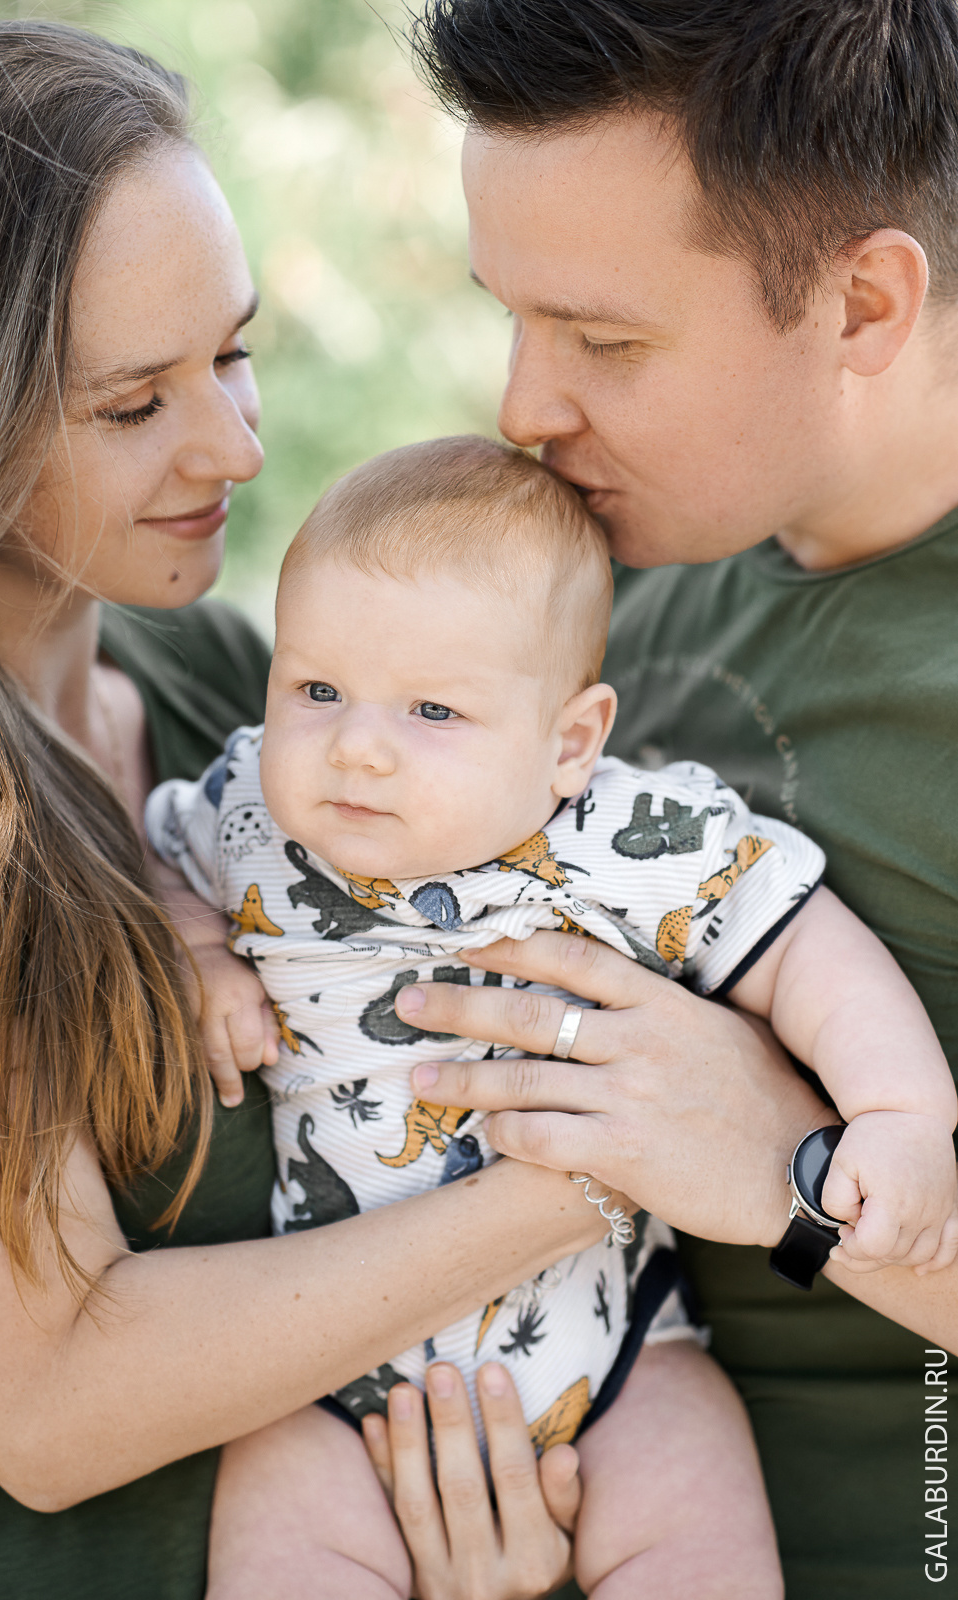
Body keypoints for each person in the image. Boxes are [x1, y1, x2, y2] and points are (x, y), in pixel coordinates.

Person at [0, 21, 656, 1600]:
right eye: (130, 405)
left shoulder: (238, 685)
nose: (236, 446)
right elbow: (51, 1400)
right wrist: (602, 1163)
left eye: (231, 354)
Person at [144, 430, 957, 1597]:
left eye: (433, 710)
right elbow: (146, 845)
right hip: (324, 1379)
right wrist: (193, 941)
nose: (358, 747)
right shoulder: (243, 817)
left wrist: (898, 1110)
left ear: (570, 741)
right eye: (316, 688)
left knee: (695, 1531)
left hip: (616, 1352)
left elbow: (803, 946)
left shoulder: (620, 842)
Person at [404, 1, 958, 1594]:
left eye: (605, 340)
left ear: (862, 303)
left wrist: (786, 1174)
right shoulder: (603, 597)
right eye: (509, 318)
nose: (522, 406)